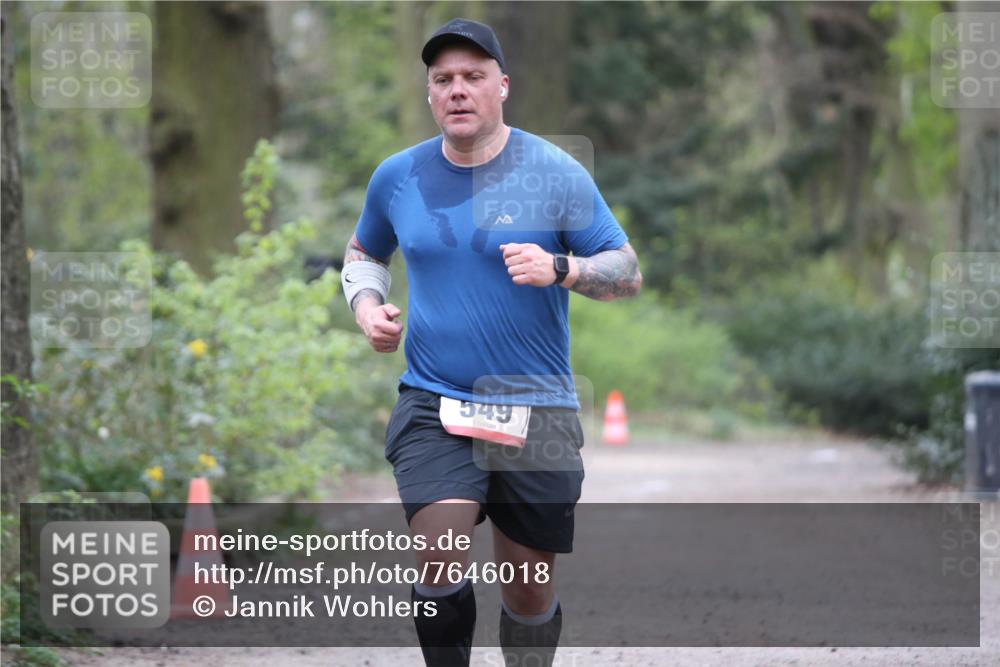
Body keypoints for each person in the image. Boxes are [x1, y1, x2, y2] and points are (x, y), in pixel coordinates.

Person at [341, 17, 642, 667]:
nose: (457, 90)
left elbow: (627, 272)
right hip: (433, 401)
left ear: (501, 86)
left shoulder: (555, 172)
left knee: (529, 590)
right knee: (439, 548)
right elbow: (364, 252)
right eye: (442, 79)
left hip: (537, 405)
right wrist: (367, 307)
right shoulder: (398, 177)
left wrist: (562, 268)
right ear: (429, 94)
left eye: (473, 77)